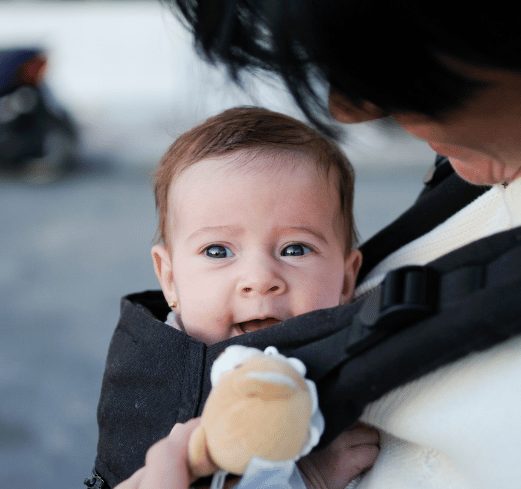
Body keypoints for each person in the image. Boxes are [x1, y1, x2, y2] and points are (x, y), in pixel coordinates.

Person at [105, 0, 521, 487]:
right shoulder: (481, 173)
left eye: (396, 56)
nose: (350, 109)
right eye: (218, 251)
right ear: (167, 274)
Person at [150, 106, 379, 488]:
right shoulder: (158, 383)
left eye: (295, 249)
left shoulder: (361, 355)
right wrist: (310, 479)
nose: (259, 280)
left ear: (345, 278)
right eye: (218, 251)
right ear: (170, 279)